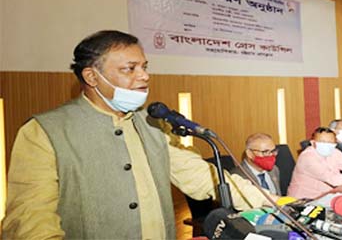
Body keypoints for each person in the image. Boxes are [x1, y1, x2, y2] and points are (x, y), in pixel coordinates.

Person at [2, 30, 274, 239]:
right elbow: (30, 219)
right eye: (129, 69)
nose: (143, 76)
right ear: (92, 77)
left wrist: (274, 204)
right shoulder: (45, 130)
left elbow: (200, 176)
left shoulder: (152, 122)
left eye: (144, 67)